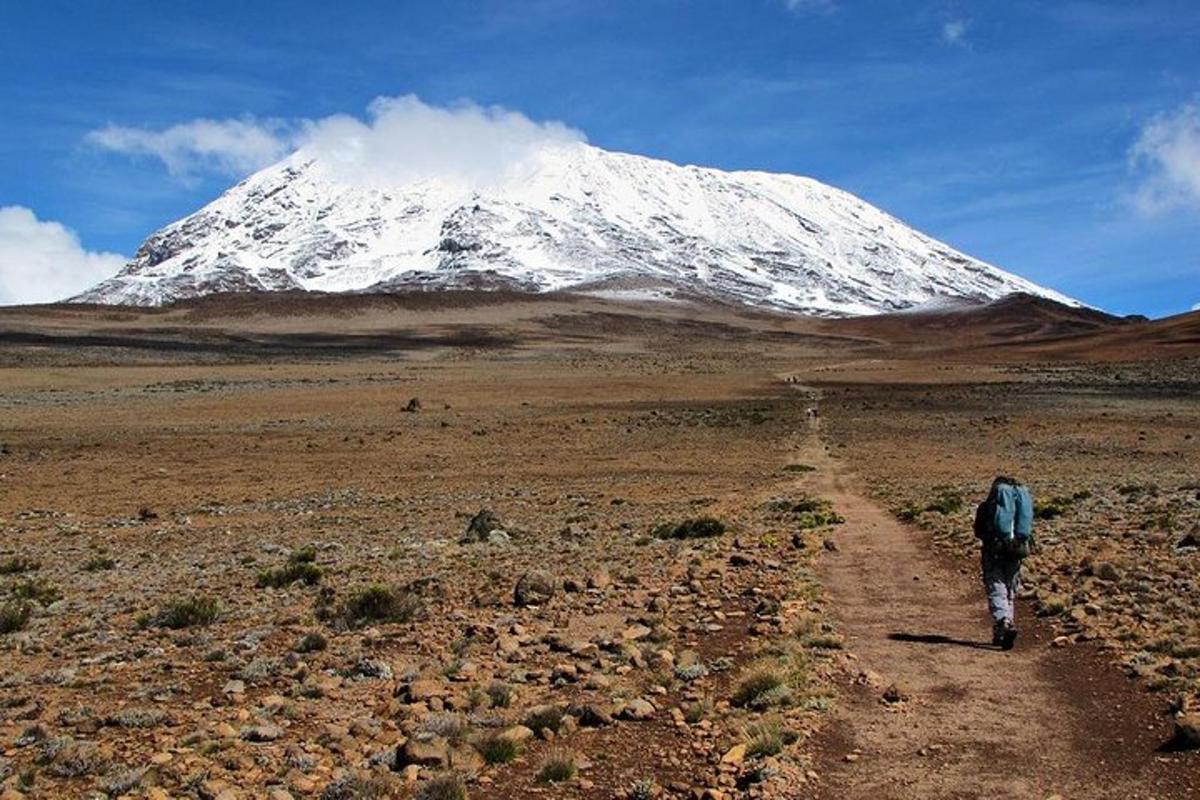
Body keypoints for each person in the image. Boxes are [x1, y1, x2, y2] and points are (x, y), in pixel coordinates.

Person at [973, 476, 1034, 650]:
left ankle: (1003, 621)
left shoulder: (987, 507)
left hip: (994, 551)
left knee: (996, 586)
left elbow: (978, 531)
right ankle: (1004, 629)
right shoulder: (1019, 507)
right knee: (1009, 589)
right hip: (1017, 551)